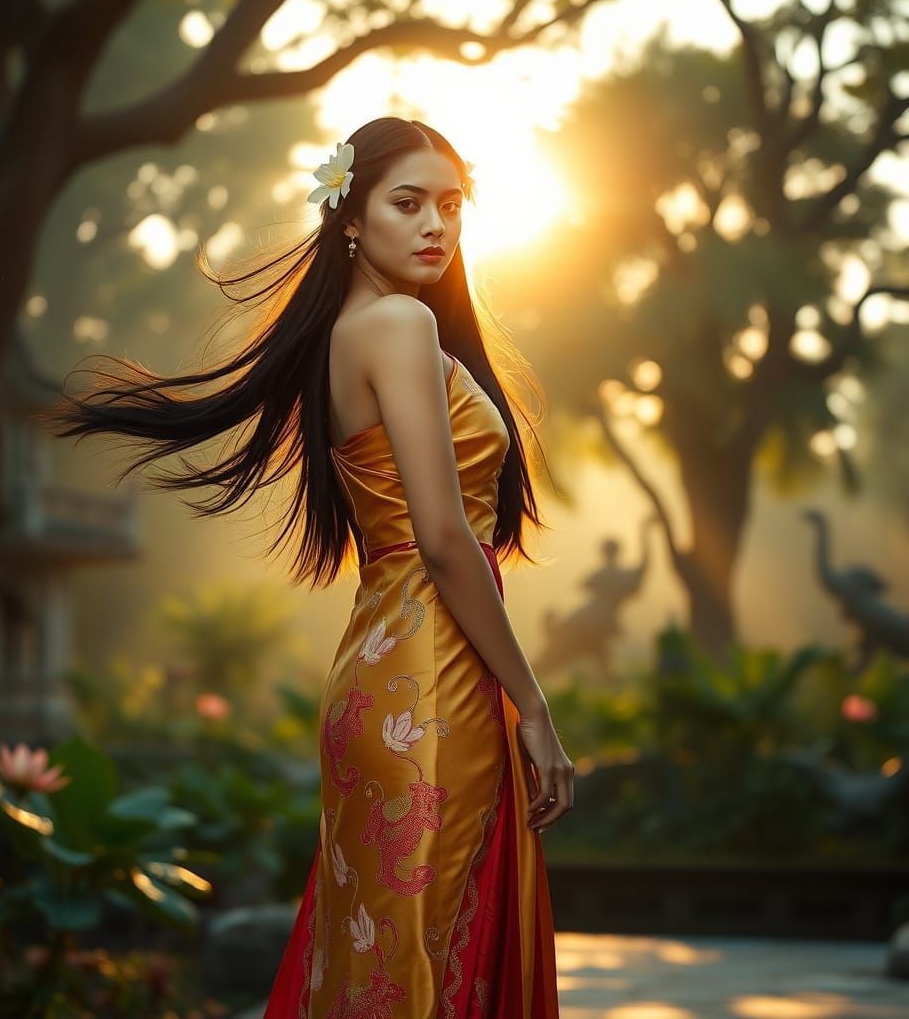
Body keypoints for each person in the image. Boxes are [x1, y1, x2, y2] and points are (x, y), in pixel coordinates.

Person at [41, 115, 574, 1017]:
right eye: (408, 204)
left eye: (450, 206)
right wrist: (535, 706)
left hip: (383, 671)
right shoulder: (399, 324)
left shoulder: (353, 332)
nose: (436, 226)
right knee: (422, 966)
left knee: (377, 951)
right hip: (432, 685)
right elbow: (443, 543)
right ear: (352, 218)